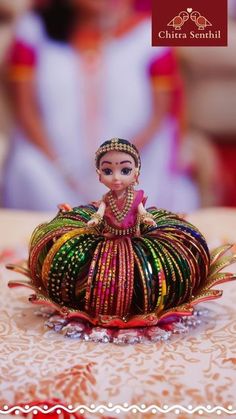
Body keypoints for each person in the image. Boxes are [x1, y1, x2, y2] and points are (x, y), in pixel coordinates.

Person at [9, 138, 234, 329]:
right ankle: (106, 299)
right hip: (107, 238)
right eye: (108, 171)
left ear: (136, 173)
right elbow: (100, 212)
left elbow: (141, 212)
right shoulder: (107, 199)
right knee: (105, 269)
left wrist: (146, 218)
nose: (116, 177)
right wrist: (95, 220)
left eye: (124, 170)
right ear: (100, 175)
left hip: (134, 236)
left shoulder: (135, 198)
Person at [2, 0, 199, 211]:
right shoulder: (35, 29)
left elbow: (160, 114)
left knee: (165, 199)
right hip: (55, 166)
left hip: (131, 162)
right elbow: (25, 110)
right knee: (31, 172)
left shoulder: (148, 31)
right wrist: (62, 168)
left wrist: (119, 162)